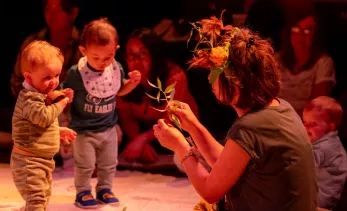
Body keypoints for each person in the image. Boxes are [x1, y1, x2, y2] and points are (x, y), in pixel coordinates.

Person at [153, 15, 318, 211]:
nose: (209, 81)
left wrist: (180, 146)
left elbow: (210, 190)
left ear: (235, 83)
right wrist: (193, 126)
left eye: (214, 74)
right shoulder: (282, 107)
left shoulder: (251, 126)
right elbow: (228, 165)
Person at [61, 18, 141, 208]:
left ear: (116, 49)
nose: (102, 63)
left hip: (108, 127)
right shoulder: (76, 73)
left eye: (108, 57)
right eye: (95, 57)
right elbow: (63, 91)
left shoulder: (116, 68)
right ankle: (83, 192)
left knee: (109, 162)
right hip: (84, 129)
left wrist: (131, 84)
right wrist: (65, 95)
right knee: (85, 164)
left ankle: (105, 189)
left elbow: (118, 90)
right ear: (83, 51)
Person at [11, 40, 77, 211]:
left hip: (42, 161)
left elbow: (39, 126)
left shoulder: (40, 95)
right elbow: (43, 118)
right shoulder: (29, 98)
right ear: (28, 77)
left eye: (56, 75)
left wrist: (58, 131)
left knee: (44, 195)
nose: (54, 82)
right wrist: (61, 104)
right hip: (28, 163)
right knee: (37, 199)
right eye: (47, 77)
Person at [116, 28, 198, 165]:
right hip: (146, 134)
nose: (136, 60)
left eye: (143, 53)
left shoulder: (174, 77)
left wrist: (142, 139)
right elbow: (127, 118)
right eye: (131, 55)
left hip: (181, 131)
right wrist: (137, 140)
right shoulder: (123, 80)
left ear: (153, 55)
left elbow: (172, 119)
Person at [277, 2, 336, 115]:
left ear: (315, 34)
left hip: (304, 122)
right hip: (274, 119)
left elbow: (318, 106)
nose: (301, 36)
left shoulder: (323, 63)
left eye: (307, 31)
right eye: (296, 30)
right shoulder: (275, 59)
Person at [302, 96, 347, 210]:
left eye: (313, 124)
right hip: (326, 198)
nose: (306, 127)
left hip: (319, 201)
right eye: (304, 122)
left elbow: (303, 166)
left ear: (330, 127)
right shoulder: (331, 142)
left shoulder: (324, 147)